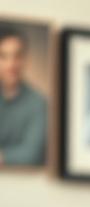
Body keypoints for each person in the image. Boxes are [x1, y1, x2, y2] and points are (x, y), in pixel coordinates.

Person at [0, 23, 47, 167]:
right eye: (4, 56)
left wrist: (3, 157)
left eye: (17, 56)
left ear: (25, 59)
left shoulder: (39, 103)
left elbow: (32, 154)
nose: (11, 64)